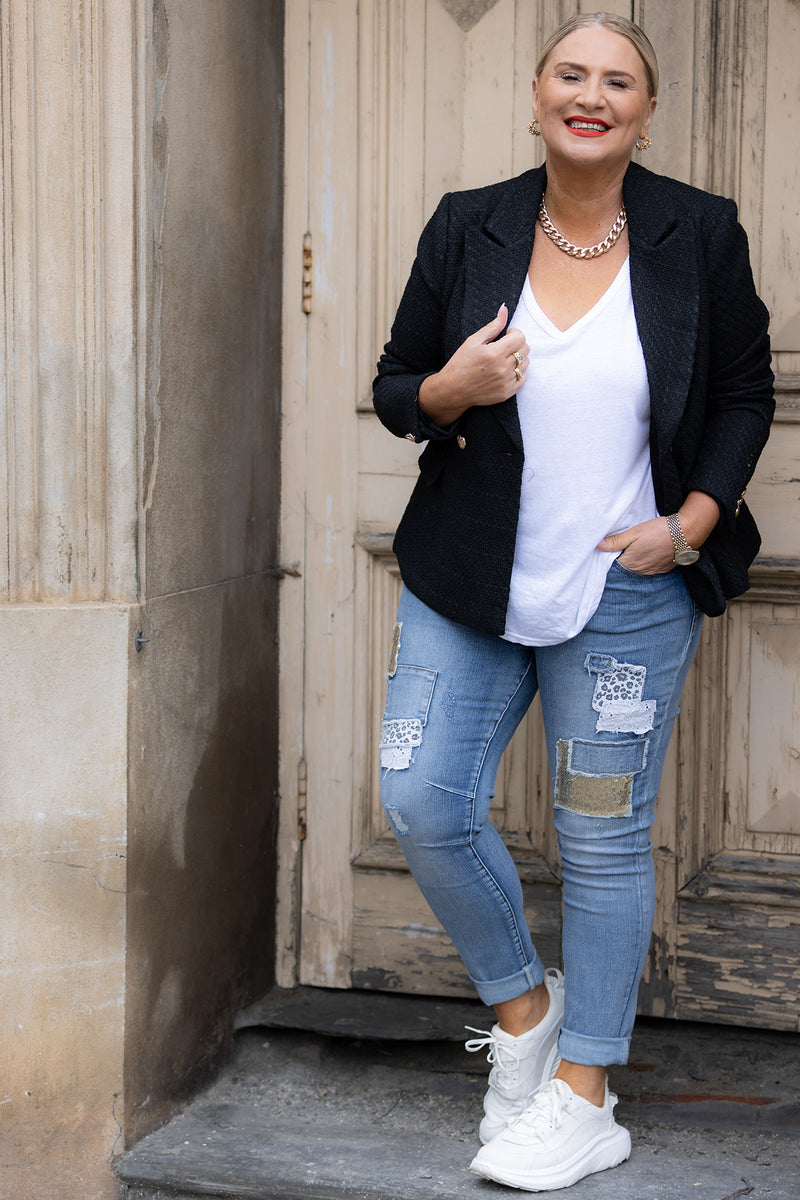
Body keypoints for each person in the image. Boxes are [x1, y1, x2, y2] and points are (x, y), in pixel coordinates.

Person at [372, 10, 774, 1193]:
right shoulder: (469, 224)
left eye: (616, 82)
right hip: (466, 581)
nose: (589, 95)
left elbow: (743, 392)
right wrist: (450, 386)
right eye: (569, 73)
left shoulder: (697, 231)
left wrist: (687, 523)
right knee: (419, 799)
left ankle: (586, 1094)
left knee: (599, 838)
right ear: (536, 94)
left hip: (623, 590)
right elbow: (396, 387)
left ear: (644, 113)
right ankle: (525, 1014)